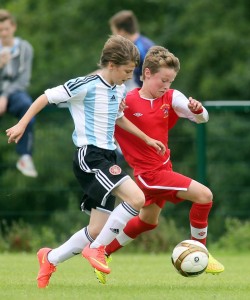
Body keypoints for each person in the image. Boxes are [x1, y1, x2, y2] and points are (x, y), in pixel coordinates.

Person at [6, 35, 166, 288]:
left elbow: (119, 118)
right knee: (137, 199)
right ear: (111, 64)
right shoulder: (86, 84)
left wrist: (146, 139)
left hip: (107, 156)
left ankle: (50, 257)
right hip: (89, 156)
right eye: (126, 71)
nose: (128, 76)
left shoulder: (118, 88)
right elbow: (44, 97)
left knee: (95, 229)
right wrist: (22, 124)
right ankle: (99, 249)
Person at [93, 46, 225, 284]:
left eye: (171, 80)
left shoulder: (172, 97)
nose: (166, 84)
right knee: (204, 195)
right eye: (163, 80)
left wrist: (199, 110)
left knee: (147, 222)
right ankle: (201, 251)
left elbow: (201, 118)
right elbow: (101, 116)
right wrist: (115, 110)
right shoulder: (126, 100)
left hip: (164, 170)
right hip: (147, 174)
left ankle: (102, 253)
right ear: (146, 73)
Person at [0, 9, 37, 177]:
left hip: (14, 93)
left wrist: (4, 96)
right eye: (0, 30)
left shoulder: (25, 48)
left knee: (27, 107)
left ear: (13, 27)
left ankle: (25, 156)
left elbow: (23, 80)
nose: (3, 33)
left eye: (6, 29)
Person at [109, 10, 155, 90]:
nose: (114, 36)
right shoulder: (145, 43)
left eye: (114, 32)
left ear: (121, 32)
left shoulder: (139, 50)